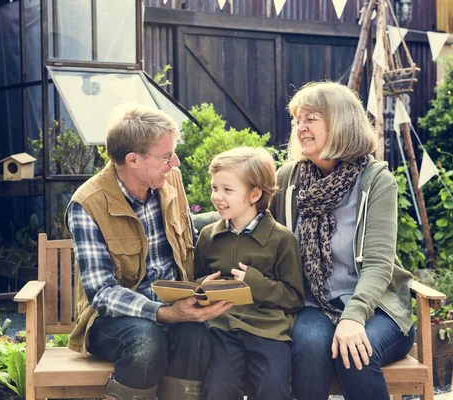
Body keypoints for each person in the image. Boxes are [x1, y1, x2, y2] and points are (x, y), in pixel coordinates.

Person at [65, 104, 232, 400]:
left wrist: (207, 286)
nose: (176, 163)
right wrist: (163, 313)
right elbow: (102, 294)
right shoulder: (87, 204)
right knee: (147, 339)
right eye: (167, 156)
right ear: (133, 160)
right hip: (112, 320)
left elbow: (190, 241)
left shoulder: (170, 182)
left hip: (175, 304)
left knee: (195, 333)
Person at [271, 81, 415, 400]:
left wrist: (354, 315)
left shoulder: (376, 180)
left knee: (356, 354)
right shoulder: (288, 179)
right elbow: (250, 218)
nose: (300, 128)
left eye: (311, 118)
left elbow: (378, 263)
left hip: (377, 306)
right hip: (314, 303)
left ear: (339, 123)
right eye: (297, 120)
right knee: (307, 346)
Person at [194, 147, 304, 400]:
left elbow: (294, 297)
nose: (217, 197)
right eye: (214, 188)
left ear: (255, 194)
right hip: (221, 329)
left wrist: (254, 283)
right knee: (219, 390)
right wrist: (202, 285)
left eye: (227, 190)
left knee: (273, 391)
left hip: (268, 331)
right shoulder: (209, 237)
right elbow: (195, 282)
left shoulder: (282, 239)